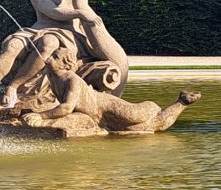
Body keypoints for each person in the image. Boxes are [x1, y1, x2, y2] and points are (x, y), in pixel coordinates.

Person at [22, 47, 199, 133]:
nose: (49, 59)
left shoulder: (72, 80)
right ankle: (181, 102)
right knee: (146, 128)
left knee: (138, 116)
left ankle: (163, 104)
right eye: (51, 55)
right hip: (97, 116)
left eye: (55, 57)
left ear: (66, 64)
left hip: (106, 106)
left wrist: (41, 116)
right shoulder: (52, 75)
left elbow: (67, 107)